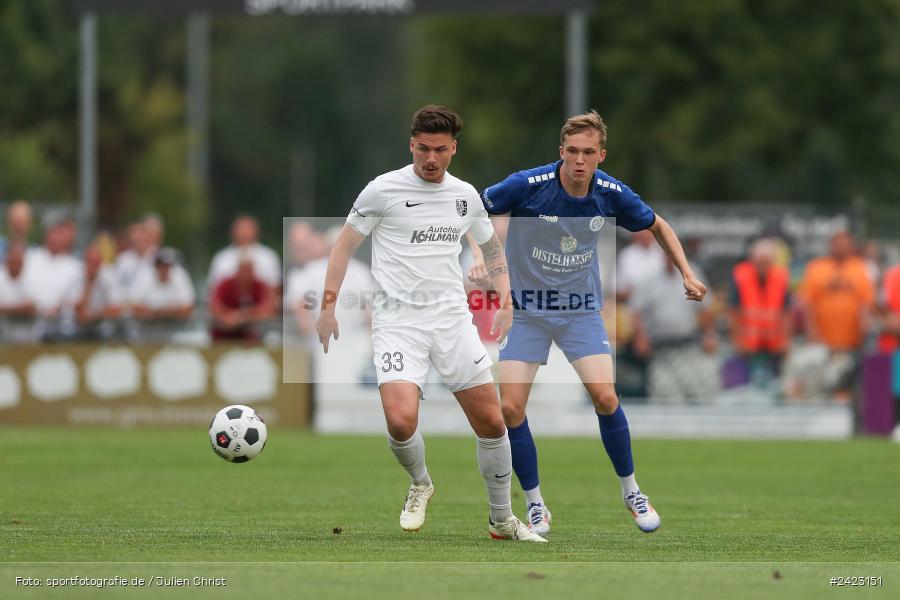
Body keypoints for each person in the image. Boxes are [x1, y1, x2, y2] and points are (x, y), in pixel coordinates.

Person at [314, 105, 545, 542]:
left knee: (493, 423)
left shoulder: (465, 196)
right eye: (423, 149)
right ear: (411, 146)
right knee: (401, 421)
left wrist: (506, 299)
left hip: (452, 321)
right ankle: (420, 482)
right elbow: (342, 248)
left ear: (453, 148)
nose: (431, 158)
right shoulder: (381, 191)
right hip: (398, 323)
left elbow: (491, 250)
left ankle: (502, 521)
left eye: (440, 149)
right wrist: (327, 307)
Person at [472, 110, 707, 535]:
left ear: (601, 155)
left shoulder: (611, 192)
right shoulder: (528, 185)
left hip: (579, 309)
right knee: (510, 408)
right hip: (527, 311)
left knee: (605, 397)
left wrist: (687, 273)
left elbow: (658, 225)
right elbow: (475, 210)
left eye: (588, 153)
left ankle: (632, 492)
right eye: (572, 152)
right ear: (561, 152)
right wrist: (478, 257)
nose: (579, 160)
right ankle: (536, 503)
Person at [796, 230, 874, 401]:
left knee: (845, 380)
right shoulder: (816, 268)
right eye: (837, 243)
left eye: (845, 243)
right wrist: (812, 332)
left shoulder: (860, 268)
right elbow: (808, 304)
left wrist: (864, 326)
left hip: (851, 340)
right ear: (830, 245)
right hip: (822, 340)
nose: (841, 247)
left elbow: (866, 303)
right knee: (819, 381)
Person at [631, 254, 718, 403]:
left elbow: (705, 309)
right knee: (664, 393)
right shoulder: (650, 279)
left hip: (689, 348)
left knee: (698, 392)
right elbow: (637, 311)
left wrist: (709, 335)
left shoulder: (694, 275)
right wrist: (640, 337)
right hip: (660, 349)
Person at [729, 238, 792, 387]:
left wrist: (786, 340)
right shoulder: (741, 276)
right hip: (748, 346)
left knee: (775, 385)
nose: (763, 266)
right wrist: (737, 340)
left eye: (767, 262)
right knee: (748, 386)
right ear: (753, 261)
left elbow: (786, 313)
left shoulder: (781, 277)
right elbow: (734, 312)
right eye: (760, 262)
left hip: (774, 345)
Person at [129, 247, 195, 342]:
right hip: (144, 336)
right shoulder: (143, 277)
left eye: (167, 266)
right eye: (161, 266)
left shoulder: (180, 276)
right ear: (156, 266)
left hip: (173, 336)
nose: (165, 269)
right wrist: (169, 311)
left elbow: (189, 308)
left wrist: (156, 312)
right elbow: (134, 307)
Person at [209, 251, 277, 341]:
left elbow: (269, 308)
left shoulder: (260, 285)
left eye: (248, 269)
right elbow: (214, 306)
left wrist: (243, 316)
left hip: (253, 338)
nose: (246, 274)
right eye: (243, 269)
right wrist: (228, 317)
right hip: (224, 337)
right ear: (238, 269)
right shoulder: (225, 285)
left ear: (253, 270)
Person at [208, 215, 282, 294]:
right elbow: (213, 289)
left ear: (256, 231)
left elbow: (275, 288)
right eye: (240, 228)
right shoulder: (221, 258)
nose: (244, 232)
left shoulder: (268, 256)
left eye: (248, 228)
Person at [0, 244, 38, 343]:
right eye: (13, 262)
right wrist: (21, 308)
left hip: (28, 339)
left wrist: (5, 309)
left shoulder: (32, 280)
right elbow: (26, 307)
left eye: (18, 262)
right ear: (6, 261)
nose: (15, 266)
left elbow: (32, 308)